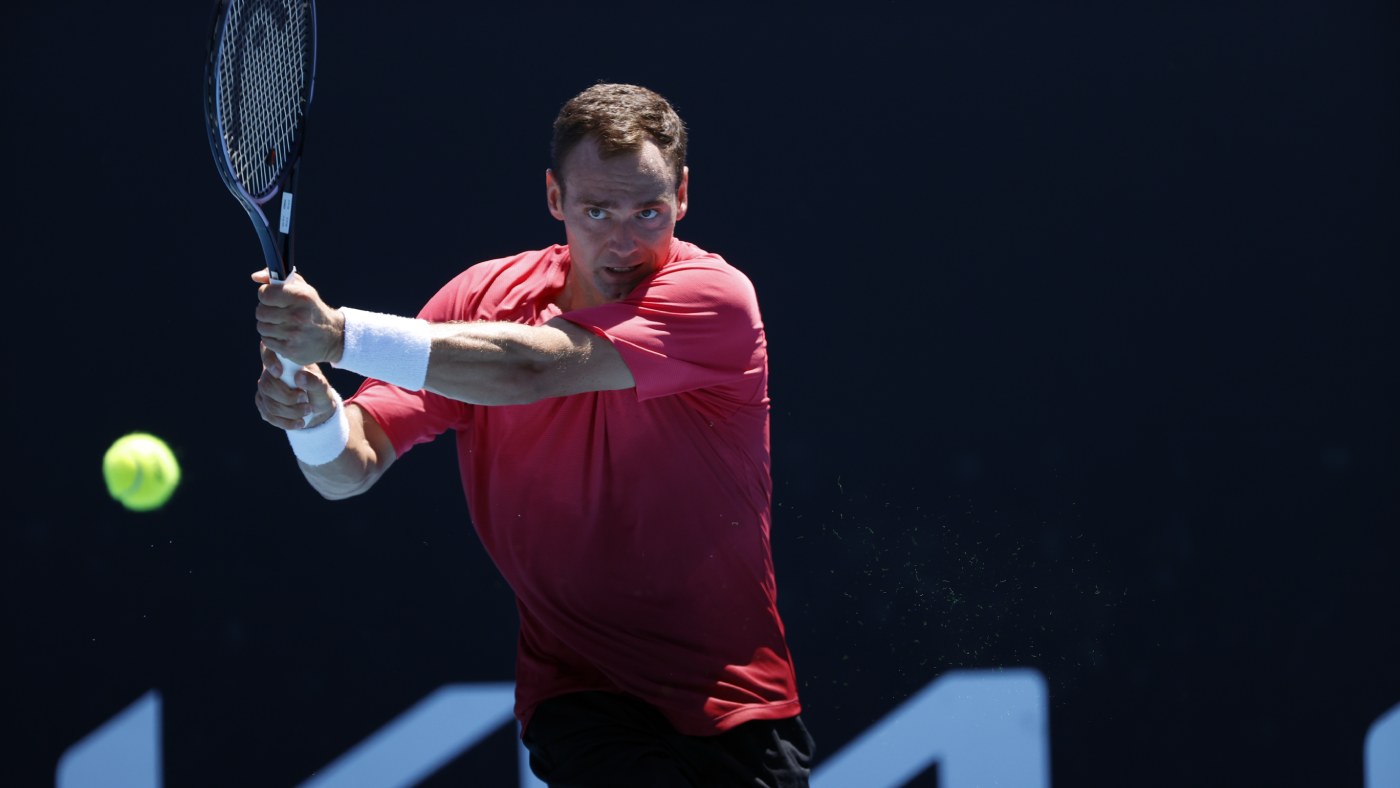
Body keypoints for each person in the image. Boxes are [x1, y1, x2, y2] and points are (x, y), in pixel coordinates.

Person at [252, 82, 813, 787]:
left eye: (648, 212)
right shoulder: (481, 301)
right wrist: (312, 419)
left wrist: (338, 334)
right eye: (596, 211)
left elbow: (532, 368)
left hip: (735, 706)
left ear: (682, 196)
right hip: (580, 697)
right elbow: (350, 466)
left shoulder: (716, 300)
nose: (624, 242)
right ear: (555, 197)